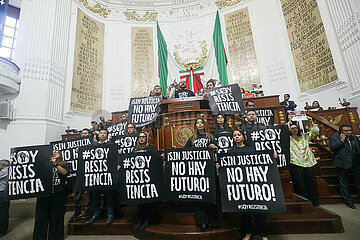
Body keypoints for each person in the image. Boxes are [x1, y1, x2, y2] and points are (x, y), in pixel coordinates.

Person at [228, 130, 268, 240]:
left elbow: (262, 162)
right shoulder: (230, 151)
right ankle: (248, 233)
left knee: (258, 210)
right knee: (244, 212)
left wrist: (272, 156)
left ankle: (263, 234)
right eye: (234, 136)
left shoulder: (252, 149)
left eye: (238, 135)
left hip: (254, 184)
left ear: (243, 136)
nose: (236, 137)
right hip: (240, 186)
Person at [185, 118, 221, 232]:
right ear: (195, 126)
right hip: (198, 172)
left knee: (212, 197)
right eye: (197, 123)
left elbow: (220, 151)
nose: (199, 124)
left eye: (201, 123)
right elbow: (184, 153)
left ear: (204, 125)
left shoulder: (211, 137)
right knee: (200, 197)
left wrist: (216, 148)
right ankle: (202, 222)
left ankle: (213, 222)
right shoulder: (192, 139)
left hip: (210, 170)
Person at [33, 150, 70, 240]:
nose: (54, 152)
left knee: (56, 216)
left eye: (56, 151)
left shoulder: (65, 164)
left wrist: (55, 164)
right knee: (41, 216)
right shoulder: (44, 163)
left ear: (61, 154)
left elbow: (64, 172)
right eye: (52, 151)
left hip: (58, 193)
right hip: (44, 193)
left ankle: (55, 237)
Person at [288, 116, 320, 206]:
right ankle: (304, 203)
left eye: (296, 128)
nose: (294, 129)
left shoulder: (304, 137)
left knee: (311, 183)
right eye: (292, 128)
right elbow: (282, 132)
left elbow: (315, 132)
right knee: (300, 184)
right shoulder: (288, 139)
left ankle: (314, 202)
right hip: (296, 163)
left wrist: (311, 122)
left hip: (308, 163)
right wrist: (289, 121)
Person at [87, 129, 116, 224]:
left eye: (105, 133)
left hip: (108, 174)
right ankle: (96, 214)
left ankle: (110, 214)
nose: (103, 135)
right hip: (96, 174)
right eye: (101, 133)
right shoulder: (93, 146)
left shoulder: (111, 145)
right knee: (95, 194)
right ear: (98, 135)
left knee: (109, 194)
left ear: (107, 135)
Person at [329, 125, 360, 209]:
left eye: (350, 130)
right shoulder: (334, 138)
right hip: (342, 164)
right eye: (346, 131)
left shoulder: (354, 138)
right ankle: (349, 202)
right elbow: (332, 147)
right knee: (344, 184)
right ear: (341, 132)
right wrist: (341, 140)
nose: (349, 132)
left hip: (356, 163)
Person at [131, 131, 158, 229]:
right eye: (140, 137)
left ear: (146, 138)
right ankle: (140, 219)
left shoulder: (151, 148)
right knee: (140, 201)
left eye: (143, 137)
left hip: (148, 178)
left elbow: (155, 161)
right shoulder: (134, 149)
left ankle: (148, 220)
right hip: (138, 179)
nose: (141, 139)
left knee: (148, 201)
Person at [69, 129, 93, 222]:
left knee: (90, 194)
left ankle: (87, 212)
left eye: (85, 133)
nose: (83, 135)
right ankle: (77, 212)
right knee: (77, 195)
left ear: (89, 134)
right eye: (82, 133)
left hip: (90, 173)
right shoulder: (76, 146)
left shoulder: (94, 144)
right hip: (79, 173)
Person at [0, 159, 10, 237]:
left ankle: (2, 231)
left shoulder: (5, 171)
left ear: (3, 165)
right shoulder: (8, 170)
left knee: (3, 212)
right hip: (4, 192)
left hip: (2, 193)